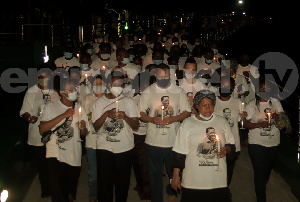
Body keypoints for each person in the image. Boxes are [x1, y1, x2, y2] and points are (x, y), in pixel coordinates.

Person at [139, 63, 191, 202]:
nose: (163, 78)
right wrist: (151, 119)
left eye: (166, 76)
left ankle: (171, 195)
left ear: (170, 75)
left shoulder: (178, 91)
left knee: (173, 173)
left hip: (173, 141)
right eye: (160, 76)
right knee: (154, 174)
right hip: (153, 141)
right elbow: (141, 113)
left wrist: (174, 118)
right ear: (155, 76)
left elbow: (187, 112)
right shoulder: (148, 91)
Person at [171, 90, 235, 202]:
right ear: (197, 106)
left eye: (210, 105)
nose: (208, 108)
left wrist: (227, 150)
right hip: (193, 182)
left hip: (217, 181)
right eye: (204, 105)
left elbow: (231, 146)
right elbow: (179, 153)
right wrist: (176, 176)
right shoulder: (188, 123)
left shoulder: (222, 122)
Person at [39, 75, 89, 202]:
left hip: (74, 154)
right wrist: (63, 115)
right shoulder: (51, 106)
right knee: (58, 190)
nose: (74, 92)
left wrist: (83, 127)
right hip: (55, 153)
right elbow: (42, 129)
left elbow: (84, 133)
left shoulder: (79, 108)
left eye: (74, 89)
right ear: (62, 92)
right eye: (70, 89)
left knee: (70, 189)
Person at [92, 71, 139, 202]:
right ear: (108, 84)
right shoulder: (100, 102)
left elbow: (136, 125)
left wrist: (125, 117)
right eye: (114, 83)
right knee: (104, 183)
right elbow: (95, 126)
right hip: (104, 147)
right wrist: (105, 114)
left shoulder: (129, 102)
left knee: (122, 183)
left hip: (124, 147)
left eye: (120, 84)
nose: (117, 86)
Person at [20, 66, 59, 199]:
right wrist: (30, 118)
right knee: (42, 164)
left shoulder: (53, 91)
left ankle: (54, 188)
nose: (44, 80)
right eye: (41, 77)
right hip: (38, 134)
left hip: (52, 133)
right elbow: (24, 111)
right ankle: (45, 189)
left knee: (53, 163)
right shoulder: (31, 92)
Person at [243, 79, 285, 202]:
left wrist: (277, 117)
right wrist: (260, 125)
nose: (264, 91)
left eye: (266, 89)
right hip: (256, 143)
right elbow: (246, 124)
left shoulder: (275, 102)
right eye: (261, 89)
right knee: (260, 172)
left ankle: (261, 185)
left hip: (273, 142)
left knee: (266, 171)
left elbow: (282, 121)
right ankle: (261, 197)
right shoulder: (251, 105)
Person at [214, 76, 245, 186]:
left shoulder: (237, 103)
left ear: (233, 89)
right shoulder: (212, 101)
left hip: (232, 143)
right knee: (215, 172)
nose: (225, 88)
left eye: (229, 86)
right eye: (223, 85)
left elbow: (242, 123)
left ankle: (224, 192)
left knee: (228, 172)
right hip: (215, 143)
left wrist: (244, 118)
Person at [82, 74, 106, 202]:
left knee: (106, 170)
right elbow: (84, 118)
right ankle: (93, 195)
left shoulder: (109, 99)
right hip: (91, 140)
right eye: (96, 83)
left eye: (100, 83)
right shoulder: (87, 99)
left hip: (106, 141)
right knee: (93, 171)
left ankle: (104, 194)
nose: (98, 86)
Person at [131, 72, 154, 201]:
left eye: (147, 83)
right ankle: (142, 187)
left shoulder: (154, 97)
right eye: (142, 84)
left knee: (145, 164)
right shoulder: (133, 97)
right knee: (138, 164)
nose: (145, 86)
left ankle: (146, 191)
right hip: (137, 134)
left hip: (150, 133)